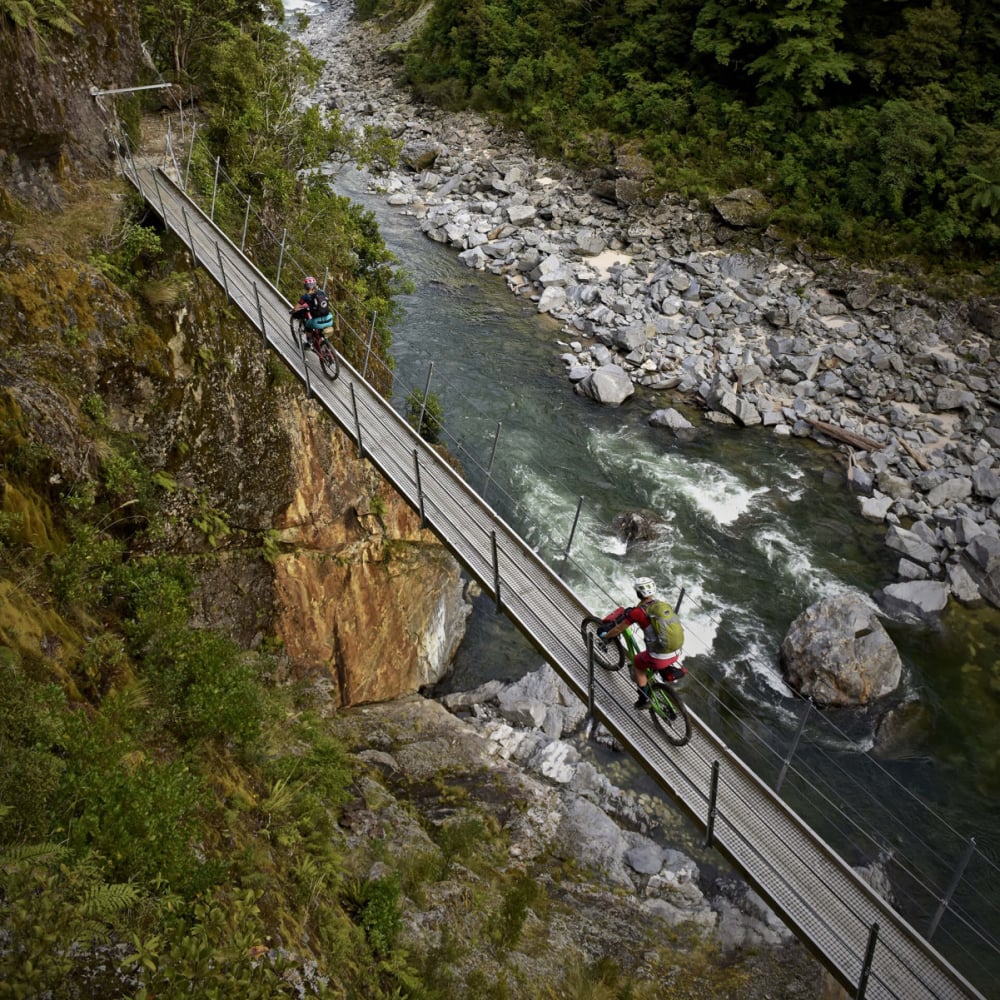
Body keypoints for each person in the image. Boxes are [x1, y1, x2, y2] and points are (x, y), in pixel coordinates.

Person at [600, 577, 686, 708]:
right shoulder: (660, 605)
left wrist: (606, 636)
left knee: (637, 663)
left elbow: (618, 629)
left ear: (638, 593)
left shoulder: (638, 613)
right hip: (676, 651)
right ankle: (658, 676)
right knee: (650, 658)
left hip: (659, 657)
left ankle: (643, 699)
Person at [290, 276, 334, 347]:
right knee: (321, 330)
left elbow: (296, 308)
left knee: (308, 325)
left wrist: (292, 311)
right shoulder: (322, 292)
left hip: (317, 322)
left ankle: (309, 342)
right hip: (329, 319)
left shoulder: (305, 296)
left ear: (305, 287)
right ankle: (325, 343)